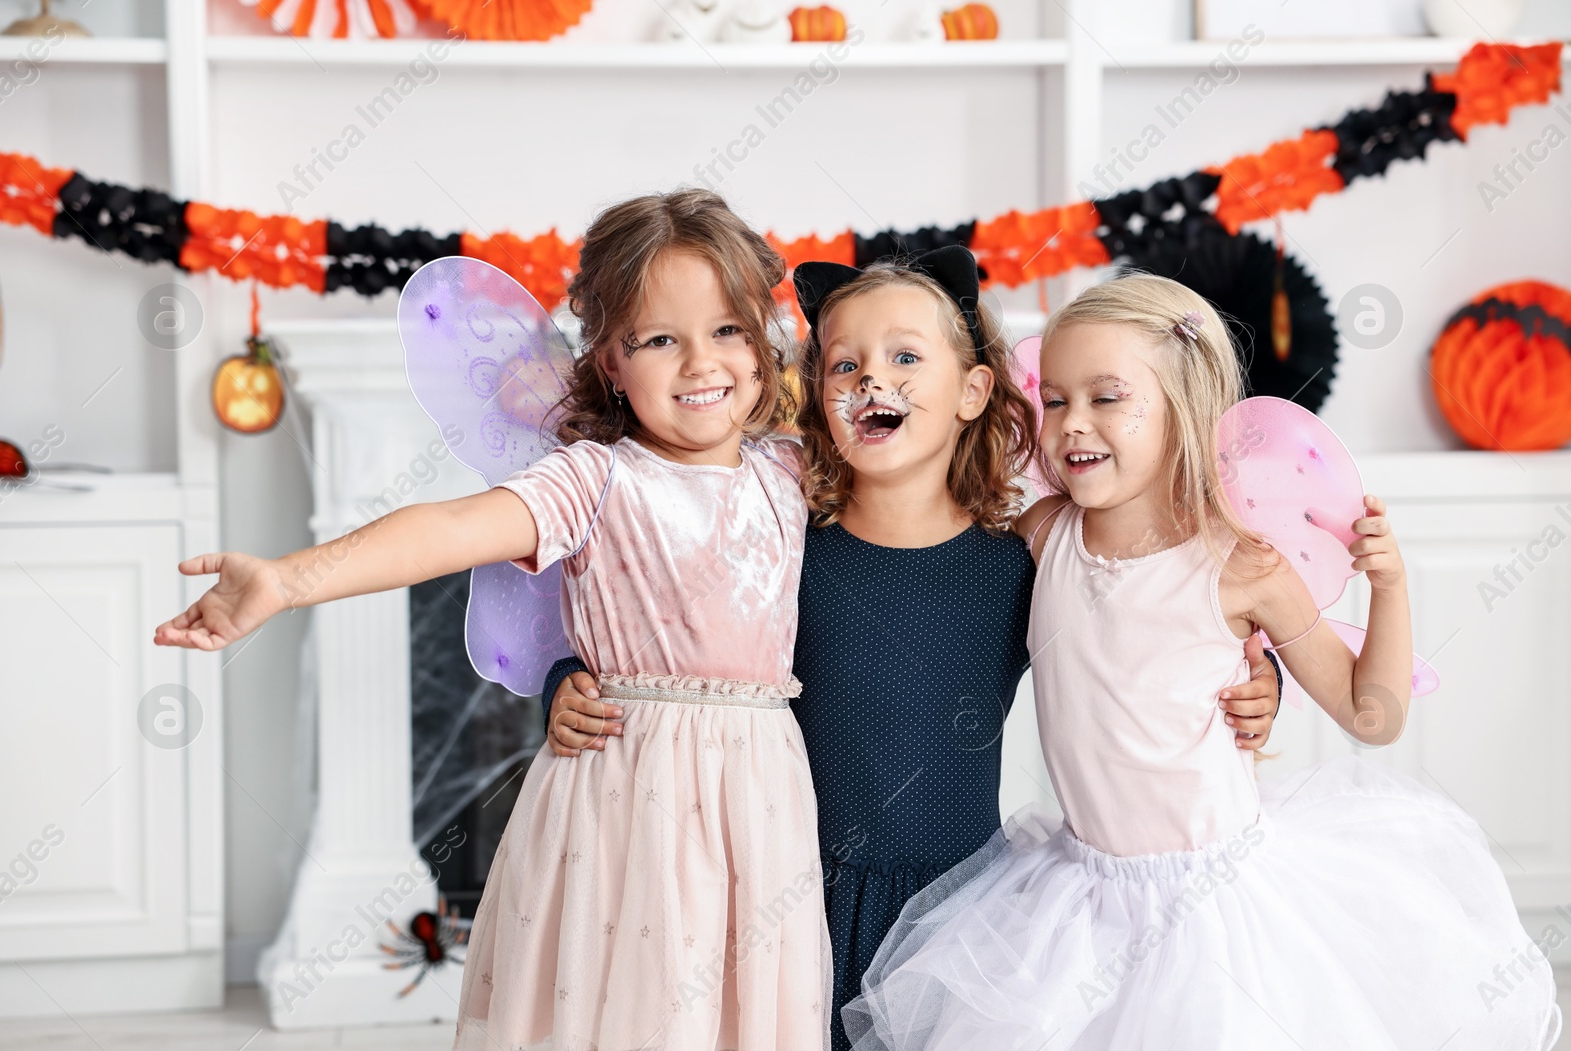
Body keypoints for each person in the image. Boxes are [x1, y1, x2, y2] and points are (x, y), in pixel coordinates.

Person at [542, 250, 1283, 1049]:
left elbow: (1139, 639)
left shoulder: (1020, 563)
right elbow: (669, 635)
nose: (873, 381)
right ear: (817, 396)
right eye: (845, 364)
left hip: (967, 915)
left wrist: (1259, 672)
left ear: (973, 392)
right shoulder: (787, 545)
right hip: (786, 898)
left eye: (904, 357)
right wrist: (565, 677)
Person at [155, 189, 831, 1050]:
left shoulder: (794, 471)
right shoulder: (593, 477)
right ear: (612, 361)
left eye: (729, 329)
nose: (702, 362)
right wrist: (287, 579)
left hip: (760, 798)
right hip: (623, 792)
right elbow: (446, 528)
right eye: (661, 338)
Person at [841, 273, 1562, 1050]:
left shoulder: (1242, 567)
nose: (1072, 424)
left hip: (1216, 903)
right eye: (1054, 400)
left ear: (1181, 408)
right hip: (1078, 895)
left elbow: (1372, 714)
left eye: (1107, 397)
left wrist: (1388, 588)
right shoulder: (1047, 534)